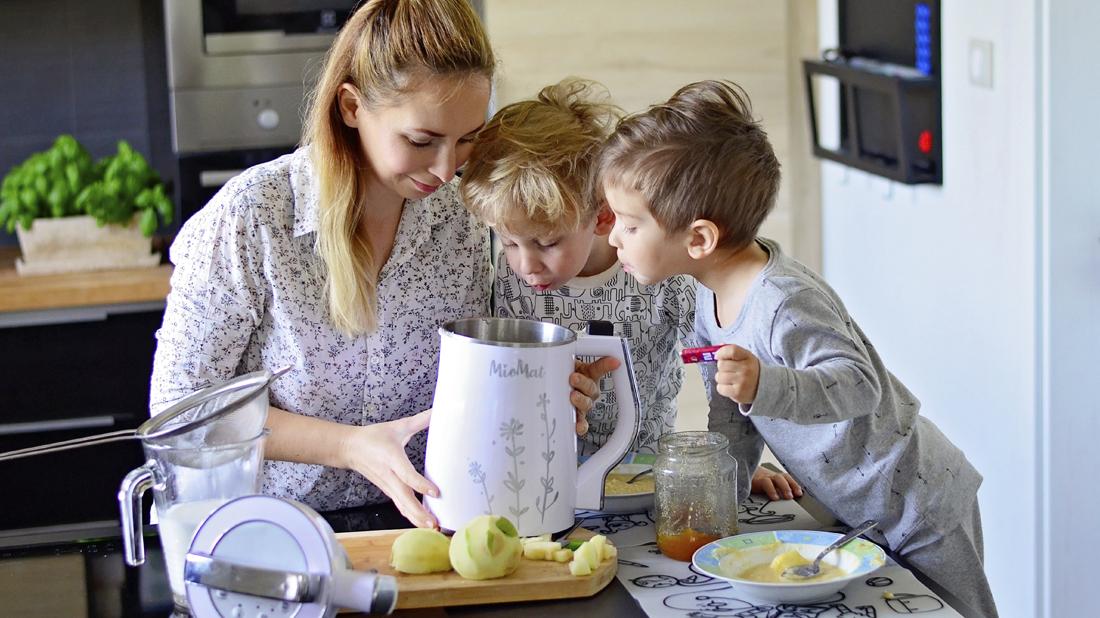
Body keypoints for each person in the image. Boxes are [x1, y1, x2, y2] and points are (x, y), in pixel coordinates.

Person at [149, 0, 608, 531]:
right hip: (277, 538)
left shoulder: (468, 218)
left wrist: (547, 389)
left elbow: (487, 375)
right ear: (350, 107)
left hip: (430, 531)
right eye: (421, 140)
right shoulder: (251, 219)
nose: (445, 168)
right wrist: (347, 446)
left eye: (466, 139)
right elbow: (179, 414)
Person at [592, 79, 998, 618]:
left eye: (630, 223)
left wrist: (766, 384)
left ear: (699, 240)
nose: (614, 236)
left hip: (917, 502)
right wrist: (722, 511)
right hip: (852, 510)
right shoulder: (705, 300)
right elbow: (732, 417)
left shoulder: (784, 300)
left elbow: (858, 385)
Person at [459, 78, 801, 501]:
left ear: (602, 217)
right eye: (508, 242)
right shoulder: (512, 280)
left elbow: (723, 375)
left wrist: (727, 467)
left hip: (649, 482)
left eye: (548, 243)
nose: (525, 265)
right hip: (548, 482)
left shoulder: (661, 271)